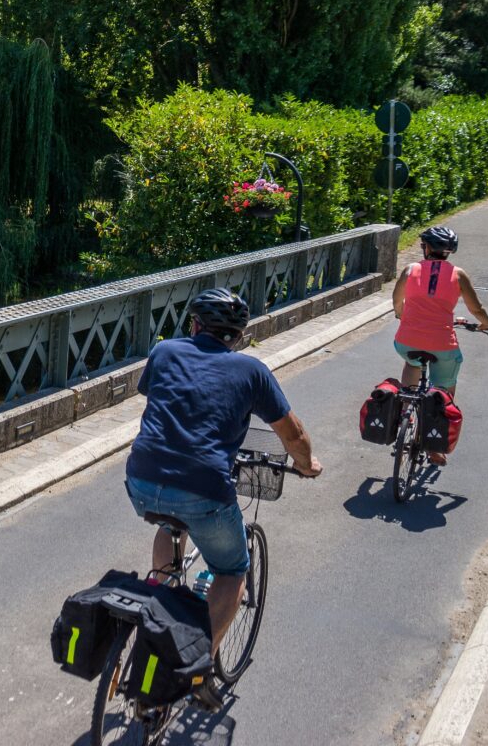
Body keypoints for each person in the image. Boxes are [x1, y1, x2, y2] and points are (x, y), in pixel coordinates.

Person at [124, 287, 321, 703]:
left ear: (194, 325)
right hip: (204, 488)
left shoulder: (164, 352)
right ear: (238, 336)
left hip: (141, 481)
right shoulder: (251, 371)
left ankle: (162, 588)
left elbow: (168, 398)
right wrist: (306, 464)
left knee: (171, 523)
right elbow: (293, 434)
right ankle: (197, 670)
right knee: (231, 573)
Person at [391, 226, 488, 465]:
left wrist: (401, 315)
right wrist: (487, 324)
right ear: (449, 251)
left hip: (406, 340)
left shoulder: (410, 269)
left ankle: (406, 409)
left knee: (412, 361)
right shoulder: (458, 275)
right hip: (442, 345)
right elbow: (476, 308)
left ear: (426, 247)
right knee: (444, 390)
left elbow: (397, 300)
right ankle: (433, 447)